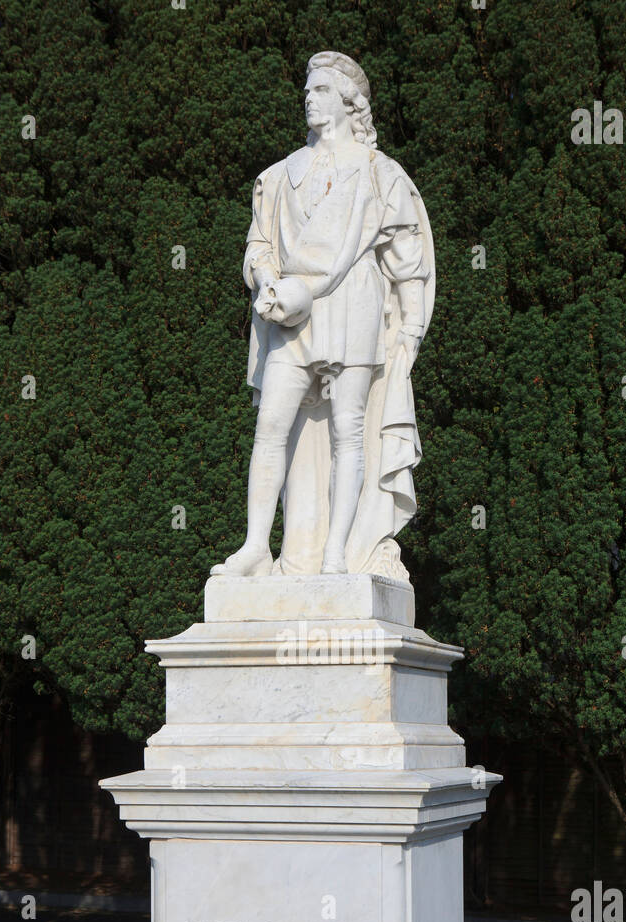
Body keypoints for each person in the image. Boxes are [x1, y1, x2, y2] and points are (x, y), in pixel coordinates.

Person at [211, 50, 434, 580]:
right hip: (290, 314)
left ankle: (337, 553)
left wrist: (411, 330)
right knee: (271, 426)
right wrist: (267, 279)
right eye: (307, 90)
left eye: (320, 90)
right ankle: (254, 547)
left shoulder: (381, 175)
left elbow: (408, 262)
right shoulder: (279, 174)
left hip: (353, 303)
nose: (308, 97)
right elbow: (258, 244)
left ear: (348, 101)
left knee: (348, 432)